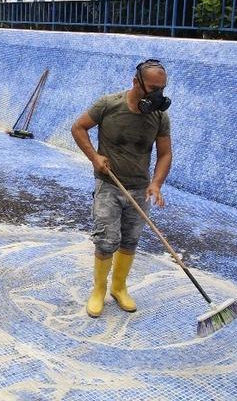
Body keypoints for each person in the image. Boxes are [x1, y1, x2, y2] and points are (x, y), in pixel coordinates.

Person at [71, 59, 173, 318]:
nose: (158, 94)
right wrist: (94, 157)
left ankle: (119, 288)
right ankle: (98, 290)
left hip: (140, 189)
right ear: (136, 82)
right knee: (106, 240)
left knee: (130, 240)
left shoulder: (159, 116)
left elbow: (165, 153)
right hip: (109, 185)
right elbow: (78, 127)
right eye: (153, 88)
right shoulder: (108, 104)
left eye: (162, 89)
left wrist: (156, 184)